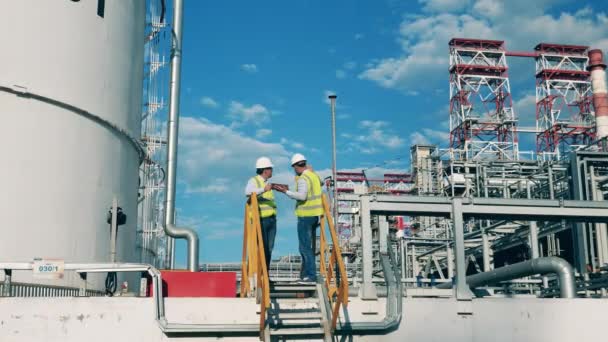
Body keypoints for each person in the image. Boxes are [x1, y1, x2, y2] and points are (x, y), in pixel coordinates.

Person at [275, 153, 323, 284]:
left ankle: (310, 276)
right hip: (315, 215)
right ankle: (305, 276)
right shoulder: (313, 176)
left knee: (304, 247)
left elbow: (302, 196)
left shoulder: (303, 178)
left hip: (305, 216)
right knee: (307, 247)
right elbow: (320, 183)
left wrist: (286, 192)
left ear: (296, 166)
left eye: (294, 167)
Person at [244, 157, 277, 275]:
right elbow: (247, 192)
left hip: (271, 219)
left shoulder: (267, 183)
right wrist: (263, 189)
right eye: (270, 168)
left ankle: (264, 274)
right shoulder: (254, 181)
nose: (272, 170)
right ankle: (256, 274)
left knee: (268, 249)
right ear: (265, 170)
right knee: (261, 248)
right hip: (261, 219)